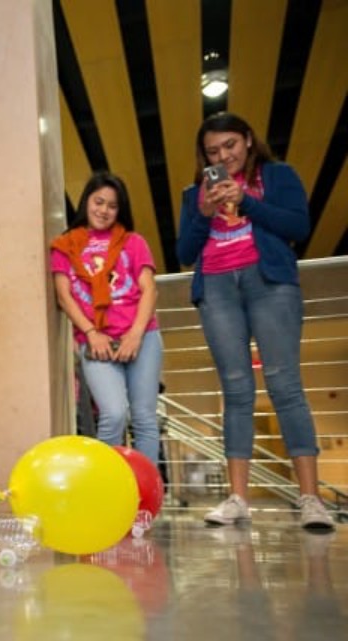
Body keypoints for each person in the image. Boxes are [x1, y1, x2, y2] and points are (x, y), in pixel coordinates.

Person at [176, 111, 334, 529]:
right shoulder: (196, 193)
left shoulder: (277, 176)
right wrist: (204, 211)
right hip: (216, 287)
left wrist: (246, 201)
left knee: (285, 385)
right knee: (236, 390)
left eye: (230, 145)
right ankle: (237, 500)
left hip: (270, 283)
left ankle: (311, 499)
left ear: (247, 140)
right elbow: (185, 252)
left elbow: (297, 225)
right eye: (213, 151)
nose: (223, 156)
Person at [51, 172, 162, 464]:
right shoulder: (65, 245)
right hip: (95, 338)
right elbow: (65, 297)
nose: (104, 210)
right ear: (86, 201)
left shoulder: (134, 242)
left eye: (112, 206)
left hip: (142, 336)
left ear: (119, 210)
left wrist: (136, 334)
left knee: (144, 419)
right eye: (98, 202)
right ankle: (108, 491)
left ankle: (145, 500)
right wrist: (90, 332)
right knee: (113, 413)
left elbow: (149, 289)